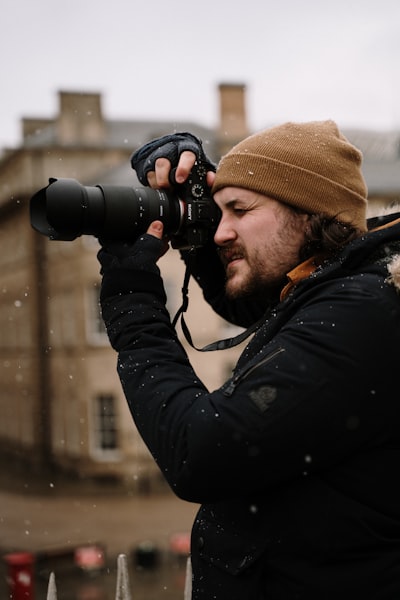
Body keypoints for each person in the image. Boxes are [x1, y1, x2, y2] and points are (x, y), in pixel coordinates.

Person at [97, 121, 400, 599]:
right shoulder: (338, 281)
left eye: (239, 209)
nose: (220, 233)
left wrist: (133, 306)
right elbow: (244, 301)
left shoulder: (363, 316)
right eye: (218, 214)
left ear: (309, 213)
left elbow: (198, 453)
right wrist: (193, 206)